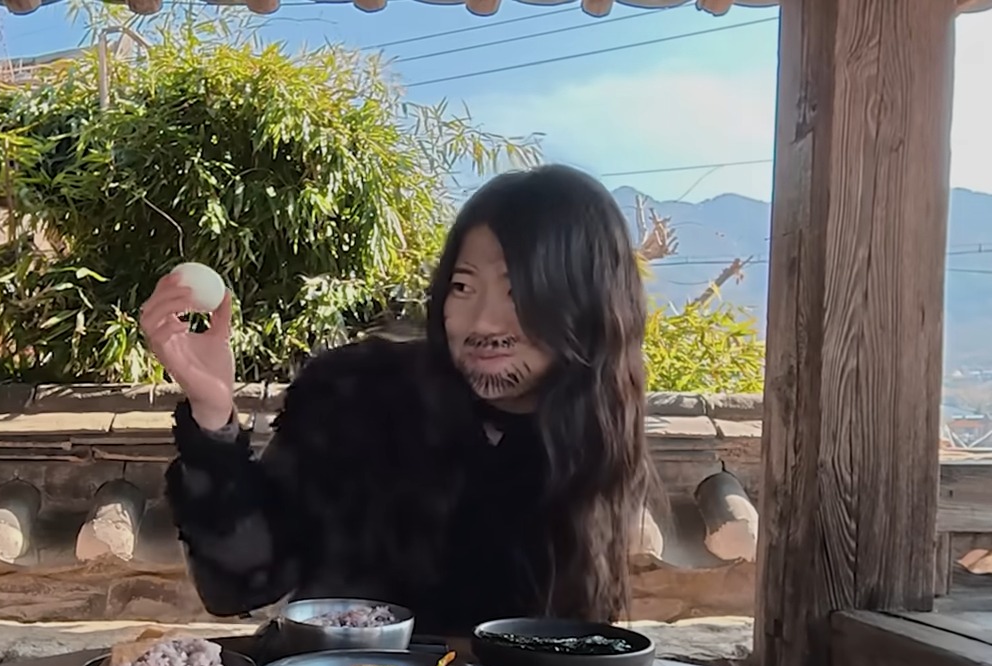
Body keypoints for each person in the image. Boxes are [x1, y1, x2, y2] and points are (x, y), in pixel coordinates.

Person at [140, 164, 658, 635]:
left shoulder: (594, 433)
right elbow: (236, 588)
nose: (482, 323)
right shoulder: (358, 396)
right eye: (463, 286)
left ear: (589, 304)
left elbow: (575, 643)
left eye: (518, 291)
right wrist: (213, 419)